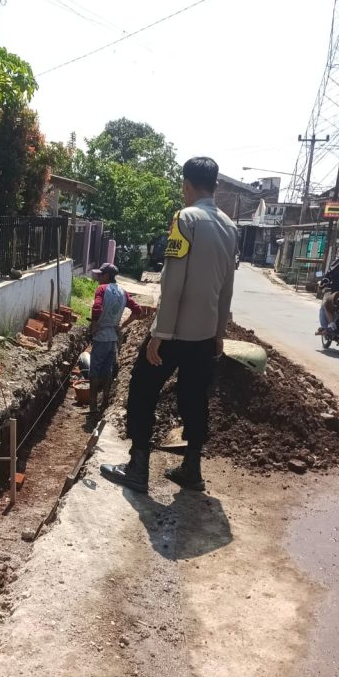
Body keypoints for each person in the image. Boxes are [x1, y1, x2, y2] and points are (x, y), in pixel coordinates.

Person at [100, 156, 238, 494]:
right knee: (195, 397)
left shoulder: (185, 219)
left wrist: (158, 335)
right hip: (205, 334)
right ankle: (191, 468)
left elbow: (173, 281)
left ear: (186, 185)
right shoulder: (231, 227)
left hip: (175, 331)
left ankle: (137, 467)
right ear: (215, 185)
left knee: (142, 391)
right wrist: (219, 334)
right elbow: (227, 288)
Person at [88, 263, 142, 416]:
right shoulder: (123, 292)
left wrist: (94, 325)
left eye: (100, 275)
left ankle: (92, 405)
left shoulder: (102, 289)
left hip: (101, 337)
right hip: (113, 337)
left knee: (95, 371)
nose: (98, 278)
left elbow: (97, 308)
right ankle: (104, 402)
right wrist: (122, 325)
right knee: (107, 370)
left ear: (106, 276)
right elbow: (137, 310)